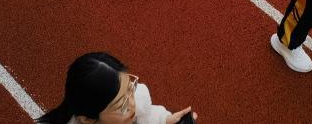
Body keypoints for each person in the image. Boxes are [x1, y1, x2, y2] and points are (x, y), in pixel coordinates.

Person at [36, 52, 194, 124]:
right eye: (121, 105)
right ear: (88, 120)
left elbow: (145, 117)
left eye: (131, 88)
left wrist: (165, 121)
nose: (132, 104)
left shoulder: (128, 103)